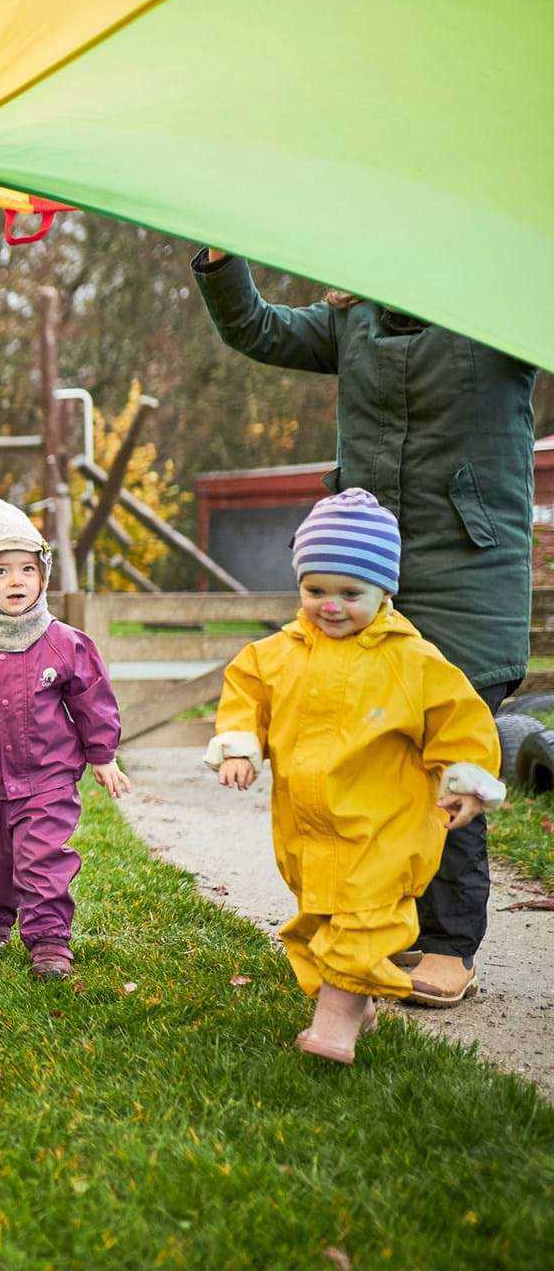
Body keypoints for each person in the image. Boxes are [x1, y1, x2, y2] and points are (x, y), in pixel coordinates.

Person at [192, 248, 539, 1006]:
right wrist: (220, 260)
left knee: (447, 757)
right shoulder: (353, 320)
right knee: (373, 767)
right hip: (365, 581)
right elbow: (254, 328)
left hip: (468, 574)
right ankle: (385, 932)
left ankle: (449, 944)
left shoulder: (500, 313)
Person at [206, 490, 504, 1063]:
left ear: (384, 591)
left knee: (363, 924)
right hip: (306, 827)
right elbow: (246, 693)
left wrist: (465, 779)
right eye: (315, 590)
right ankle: (354, 999)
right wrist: (241, 745)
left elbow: (459, 719)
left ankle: (333, 1027)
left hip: (383, 830)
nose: (331, 606)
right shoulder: (277, 653)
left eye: (351, 593)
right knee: (318, 923)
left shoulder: (411, 661)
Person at [0, 494, 130, 978]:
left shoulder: (63, 641)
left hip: (47, 778)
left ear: (43, 576)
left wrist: (103, 755)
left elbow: (92, 699)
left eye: (27, 569)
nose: (17, 581)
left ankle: (49, 940)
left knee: (41, 858)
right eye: (1, 571)